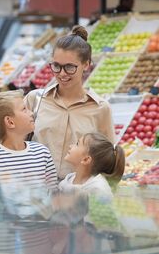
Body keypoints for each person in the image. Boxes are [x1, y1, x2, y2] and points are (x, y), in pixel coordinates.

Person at [24, 26, 115, 180]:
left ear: (86, 64)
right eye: (56, 66)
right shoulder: (35, 100)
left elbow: (107, 160)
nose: (62, 73)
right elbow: (15, 144)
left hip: (77, 196)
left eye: (70, 67)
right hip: (36, 192)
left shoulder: (100, 108)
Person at [0, 90, 57, 191]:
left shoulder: (42, 153)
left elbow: (53, 193)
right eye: (24, 109)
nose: (31, 113)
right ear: (10, 122)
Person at [58, 132, 125, 199]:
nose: (70, 146)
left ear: (86, 159)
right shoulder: (67, 180)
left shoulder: (98, 190)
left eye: (77, 144)